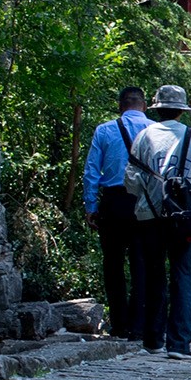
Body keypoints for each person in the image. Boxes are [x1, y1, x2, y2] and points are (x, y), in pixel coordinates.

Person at [126, 85, 191, 355]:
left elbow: (130, 180)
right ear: (181, 111)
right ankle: (179, 342)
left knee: (154, 274)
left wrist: (150, 194)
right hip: (185, 219)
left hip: (149, 217)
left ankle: (153, 339)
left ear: (157, 109)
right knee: (183, 275)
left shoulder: (144, 136)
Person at [79, 85, 150, 338]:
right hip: (145, 201)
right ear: (144, 105)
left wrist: (91, 206)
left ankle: (119, 324)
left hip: (113, 201)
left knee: (113, 264)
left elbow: (91, 171)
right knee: (142, 262)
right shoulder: (154, 130)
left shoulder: (105, 130)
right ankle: (140, 324)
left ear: (120, 106)